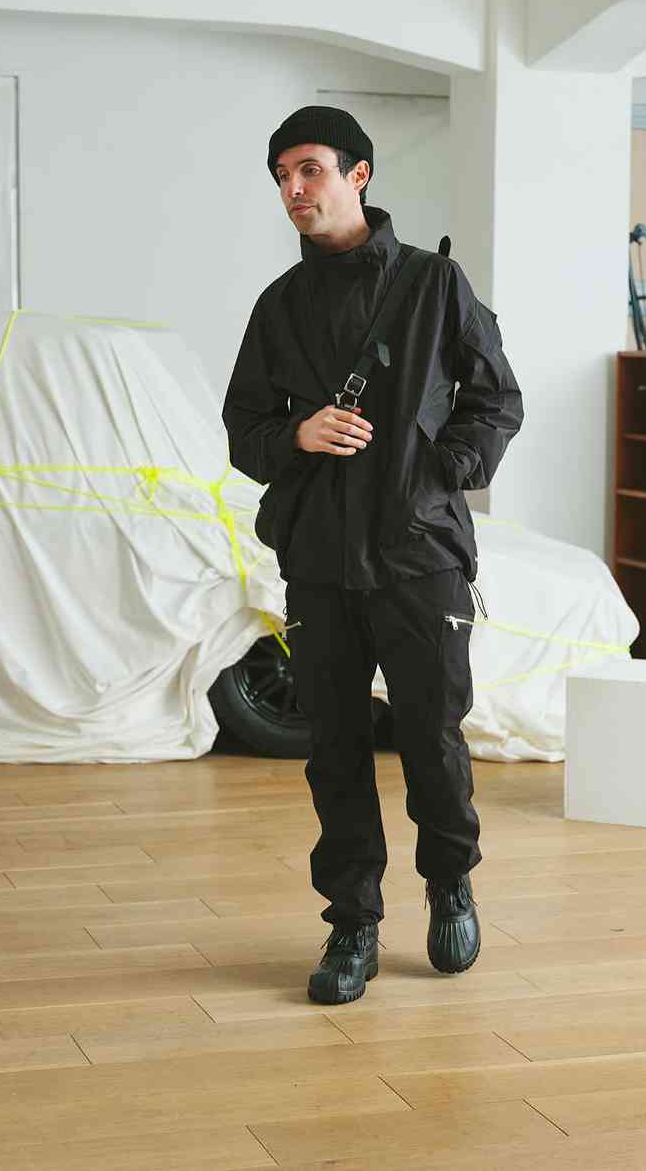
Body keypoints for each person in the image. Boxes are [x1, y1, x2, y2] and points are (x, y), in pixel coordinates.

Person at [222, 105, 523, 1005]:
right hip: (318, 556)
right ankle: (351, 922)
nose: (293, 189)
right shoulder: (279, 305)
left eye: (308, 169)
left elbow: (495, 400)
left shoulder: (434, 283)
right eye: (281, 176)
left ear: (357, 174)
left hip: (419, 552)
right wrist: (297, 433)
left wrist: (440, 472)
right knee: (335, 748)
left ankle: (450, 881)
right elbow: (244, 426)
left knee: (432, 734)